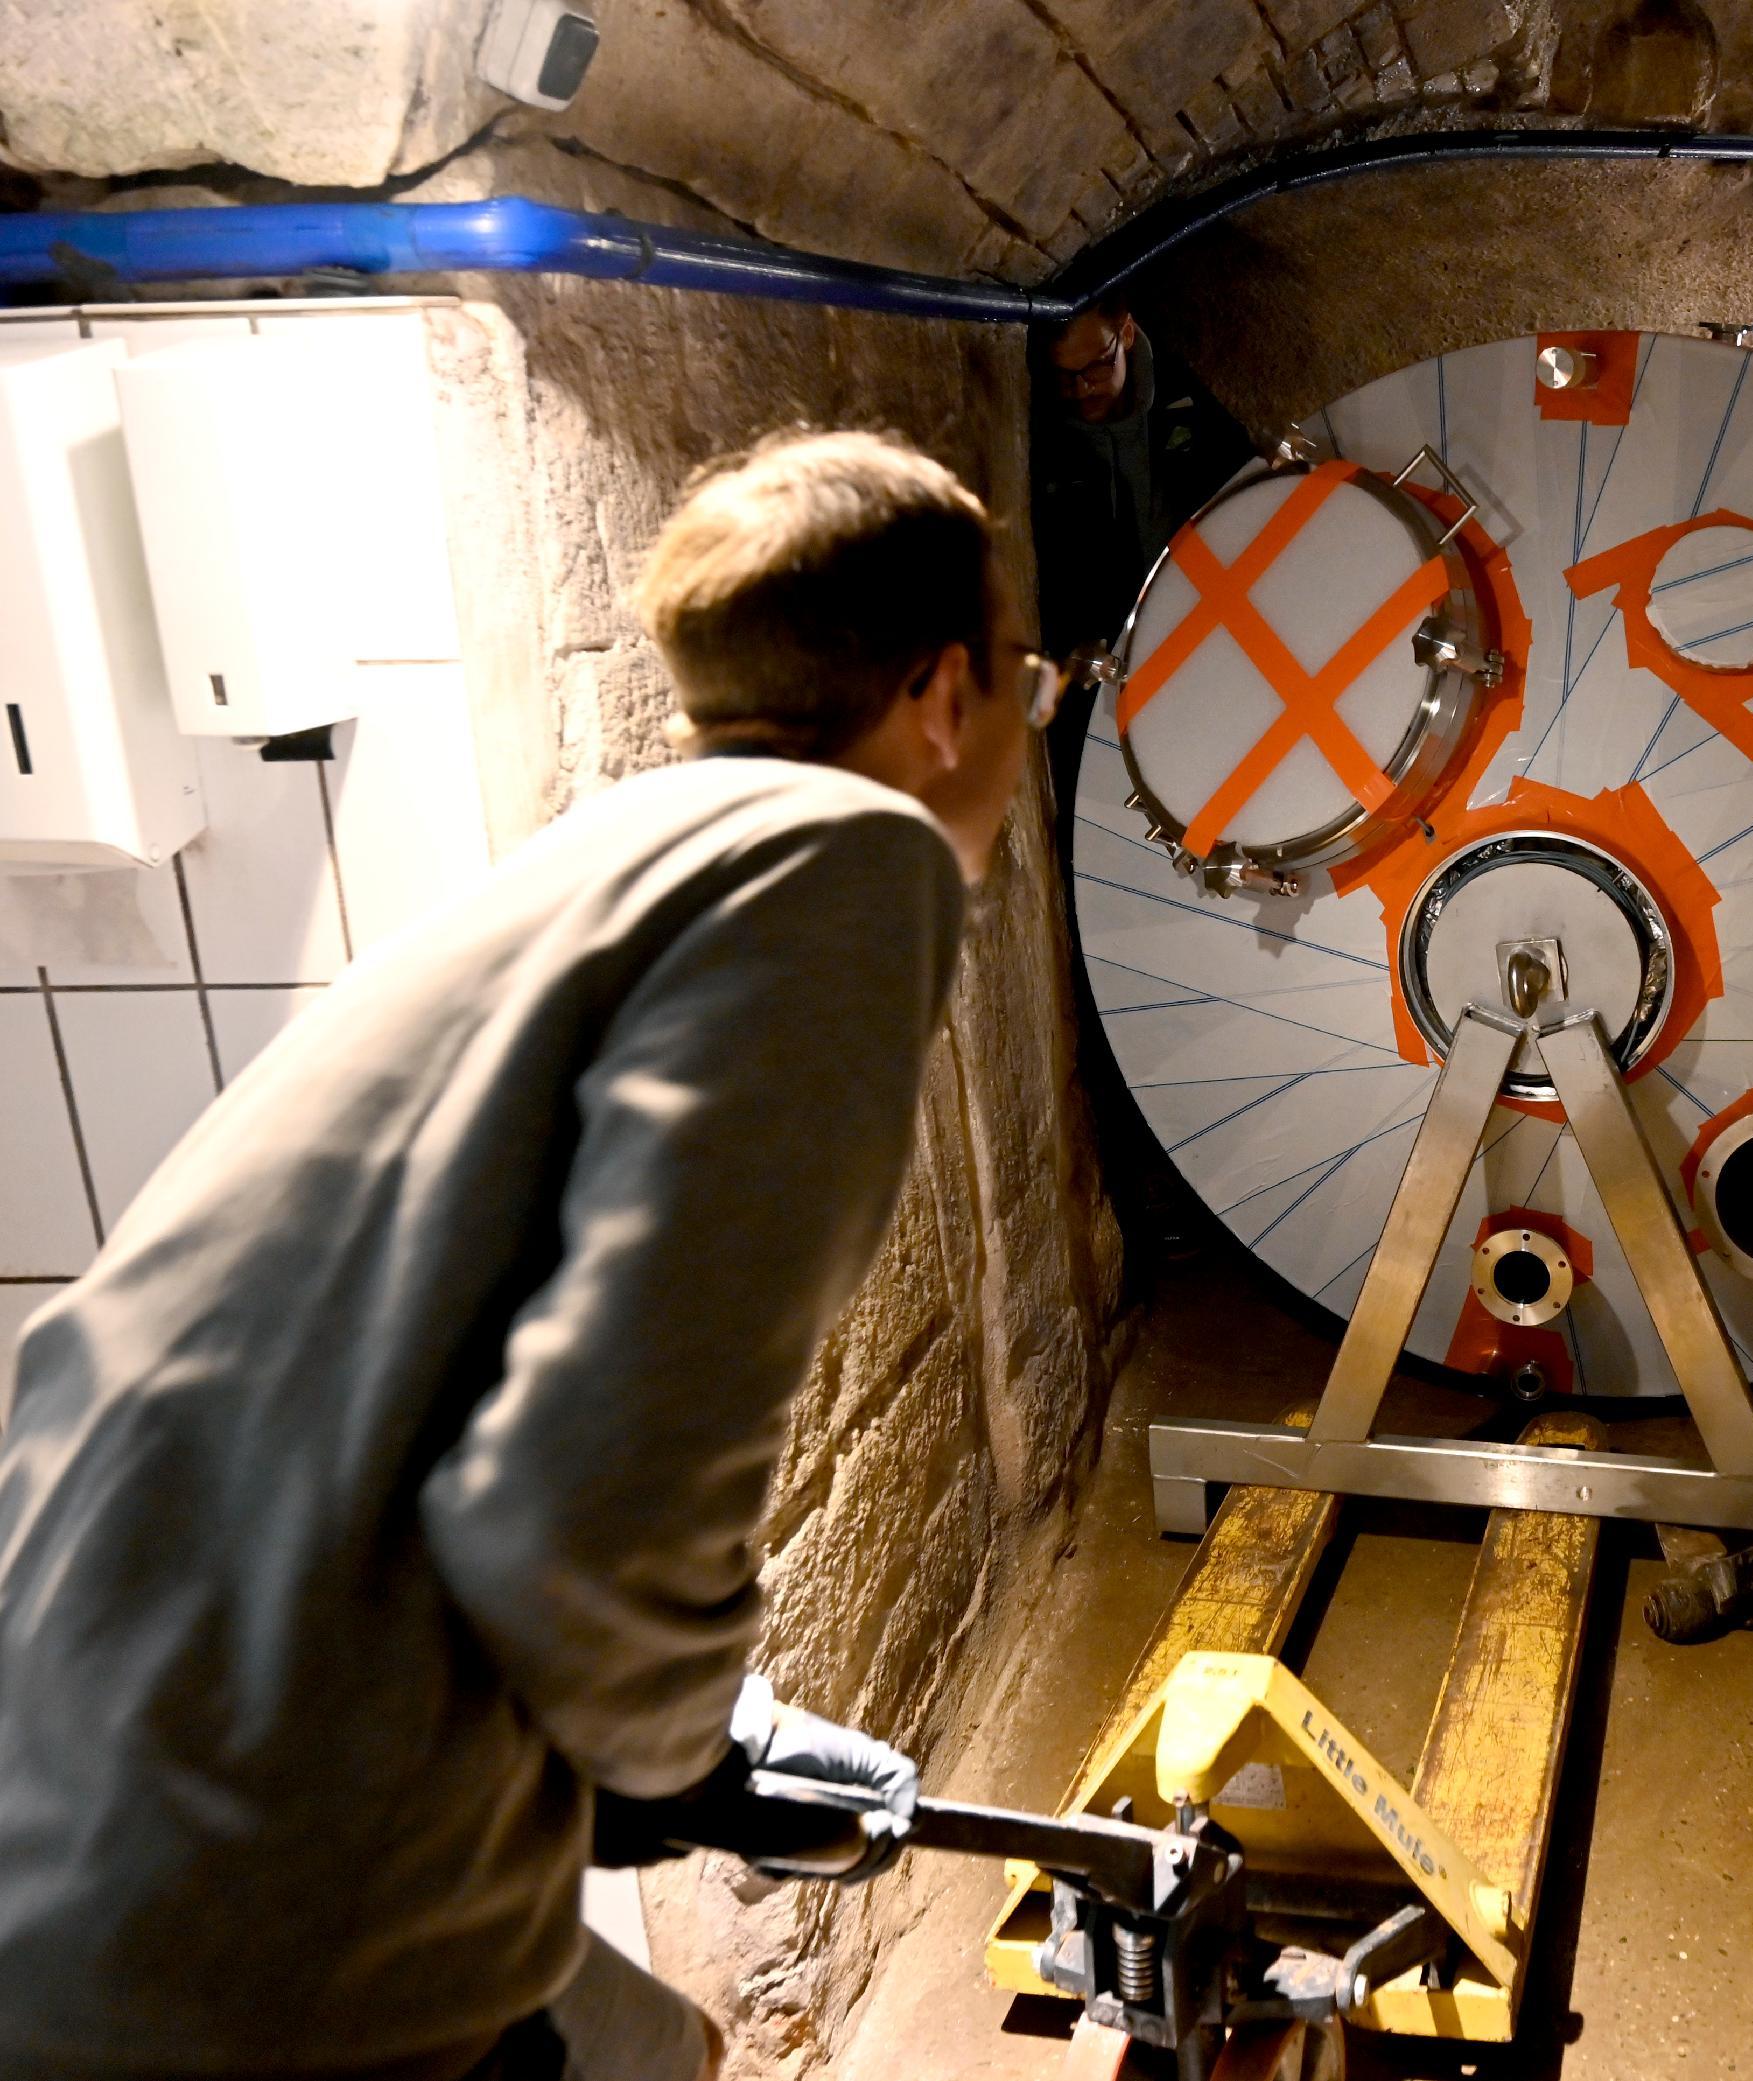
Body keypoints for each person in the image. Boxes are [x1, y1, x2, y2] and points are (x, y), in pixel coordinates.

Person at [0, 430, 1056, 2081]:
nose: (1013, 729)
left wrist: (697, 1740)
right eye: (1024, 685)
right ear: (941, 699)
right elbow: (581, 1496)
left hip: (97, 1749)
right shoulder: (854, 860)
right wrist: (675, 1746)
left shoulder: (611, 856)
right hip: (244, 1838)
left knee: (657, 2053)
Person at [1029, 296, 1254, 817]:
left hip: (1210, 629)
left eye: (1095, 368)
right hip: (1117, 666)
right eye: (1065, 378)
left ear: (1126, 334)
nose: (1082, 390)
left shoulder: (1186, 398)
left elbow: (1245, 493)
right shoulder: (1048, 440)